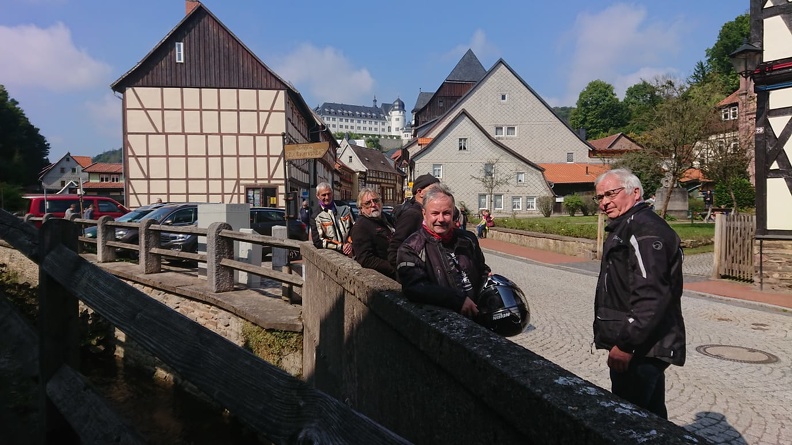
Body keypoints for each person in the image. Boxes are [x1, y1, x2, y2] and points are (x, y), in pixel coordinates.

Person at [592, 168, 686, 419]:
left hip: (642, 349)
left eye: (611, 194)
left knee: (628, 421)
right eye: (600, 197)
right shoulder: (629, 226)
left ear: (635, 193)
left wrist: (626, 344)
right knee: (652, 417)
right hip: (643, 346)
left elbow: (652, 295)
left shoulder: (644, 230)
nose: (604, 202)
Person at [396, 183, 490, 318]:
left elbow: (481, 269)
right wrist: (457, 300)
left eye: (446, 213)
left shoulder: (468, 239)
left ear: (453, 213)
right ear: (424, 213)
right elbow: (414, 287)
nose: (440, 219)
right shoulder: (411, 248)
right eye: (435, 213)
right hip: (444, 323)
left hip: (477, 317)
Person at [387, 174, 440, 269]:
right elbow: (395, 249)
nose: (438, 194)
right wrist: (409, 273)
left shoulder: (423, 211)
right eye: (434, 190)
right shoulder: (412, 214)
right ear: (420, 192)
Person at [349, 188, 396, 279]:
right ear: (361, 208)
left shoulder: (387, 218)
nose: (373, 205)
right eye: (368, 203)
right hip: (388, 276)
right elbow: (366, 259)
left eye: (376, 200)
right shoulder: (360, 227)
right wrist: (393, 269)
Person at [309, 182, 353, 255]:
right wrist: (341, 246)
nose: (327, 197)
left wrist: (349, 243)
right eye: (323, 195)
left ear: (332, 193)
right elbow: (318, 241)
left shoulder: (345, 208)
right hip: (333, 255)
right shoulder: (316, 216)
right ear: (317, 196)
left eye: (329, 194)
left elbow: (354, 228)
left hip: (351, 252)